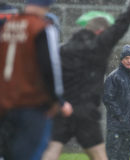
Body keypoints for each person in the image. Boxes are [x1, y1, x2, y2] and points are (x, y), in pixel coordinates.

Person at [42, 0, 130, 160]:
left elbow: (48, 77)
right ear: (100, 31)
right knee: (99, 156)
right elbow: (123, 21)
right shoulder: (101, 45)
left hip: (64, 109)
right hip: (87, 112)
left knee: (51, 152)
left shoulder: (63, 49)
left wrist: (57, 102)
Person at [0, 0, 73, 159]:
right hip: (31, 102)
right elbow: (50, 66)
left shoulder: (8, 25)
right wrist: (57, 99)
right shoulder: (42, 27)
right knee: (31, 153)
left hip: (6, 102)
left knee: (9, 153)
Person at [103, 44, 130, 160]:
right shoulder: (113, 77)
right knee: (112, 155)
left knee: (125, 156)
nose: (129, 61)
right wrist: (120, 116)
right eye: (126, 58)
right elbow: (107, 99)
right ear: (121, 60)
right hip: (116, 125)